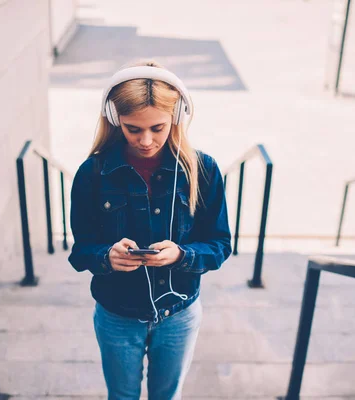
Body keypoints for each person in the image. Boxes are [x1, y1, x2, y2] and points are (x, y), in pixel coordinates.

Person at [68, 59, 232, 400]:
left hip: (179, 314)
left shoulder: (203, 169)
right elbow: (81, 250)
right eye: (133, 129)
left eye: (157, 128)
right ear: (115, 121)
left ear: (177, 117)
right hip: (117, 316)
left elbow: (220, 244)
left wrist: (182, 255)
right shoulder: (93, 173)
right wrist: (106, 256)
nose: (146, 140)